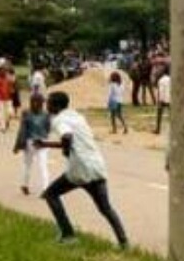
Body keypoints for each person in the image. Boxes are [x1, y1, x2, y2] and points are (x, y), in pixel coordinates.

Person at [35, 91, 130, 248]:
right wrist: (46, 144)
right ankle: (123, 242)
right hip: (96, 165)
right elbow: (75, 140)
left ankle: (68, 235)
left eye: (49, 103)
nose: (47, 105)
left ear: (57, 106)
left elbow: (67, 137)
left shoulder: (59, 120)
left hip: (79, 169)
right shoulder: (77, 117)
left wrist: (65, 152)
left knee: (50, 194)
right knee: (105, 208)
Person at [13, 92, 51, 195]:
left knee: (42, 165)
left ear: (41, 103)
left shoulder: (31, 113)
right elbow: (22, 130)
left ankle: (45, 188)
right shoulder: (43, 114)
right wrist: (18, 145)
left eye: (37, 101)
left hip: (41, 143)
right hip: (33, 142)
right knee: (29, 165)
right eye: (33, 101)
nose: (35, 104)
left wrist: (17, 146)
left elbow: (22, 130)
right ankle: (25, 185)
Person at [154, 67, 171, 135]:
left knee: (159, 115)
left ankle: (158, 129)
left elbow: (161, 91)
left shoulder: (161, 80)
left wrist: (160, 100)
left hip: (163, 100)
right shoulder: (171, 79)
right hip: (171, 99)